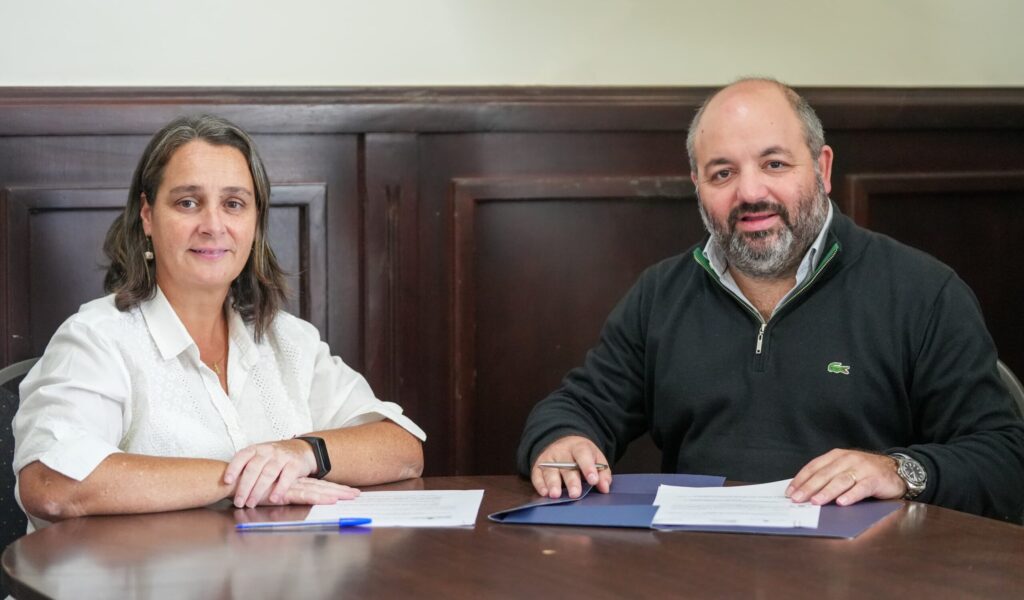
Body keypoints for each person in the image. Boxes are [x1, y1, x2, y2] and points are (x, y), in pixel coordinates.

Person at [517, 78, 1024, 522]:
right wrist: (563, 439)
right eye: (722, 173)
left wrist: (898, 470)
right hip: (697, 571)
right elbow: (577, 406)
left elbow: (1004, 458)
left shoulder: (922, 292)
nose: (750, 191)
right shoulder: (661, 294)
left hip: (867, 577)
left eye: (774, 163)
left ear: (822, 168)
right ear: (697, 187)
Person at [13, 115, 426, 529]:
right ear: (147, 216)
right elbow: (51, 483)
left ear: (255, 222)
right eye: (187, 202)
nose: (213, 226)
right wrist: (238, 478)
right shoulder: (95, 339)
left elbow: (404, 449)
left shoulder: (287, 339)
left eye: (233, 204)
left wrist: (301, 454)